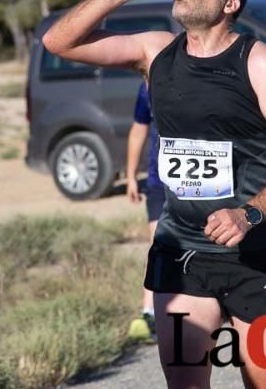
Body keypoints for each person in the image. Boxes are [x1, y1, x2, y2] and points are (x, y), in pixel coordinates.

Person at [43, 0, 266, 389]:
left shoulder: (259, 62)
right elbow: (58, 41)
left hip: (258, 252)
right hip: (182, 250)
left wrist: (248, 214)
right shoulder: (156, 52)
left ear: (231, 1)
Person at [125, 79, 163, 342]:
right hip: (158, 181)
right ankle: (149, 312)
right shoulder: (148, 86)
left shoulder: (202, 77)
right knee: (158, 244)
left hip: (201, 185)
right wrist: (130, 176)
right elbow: (139, 130)